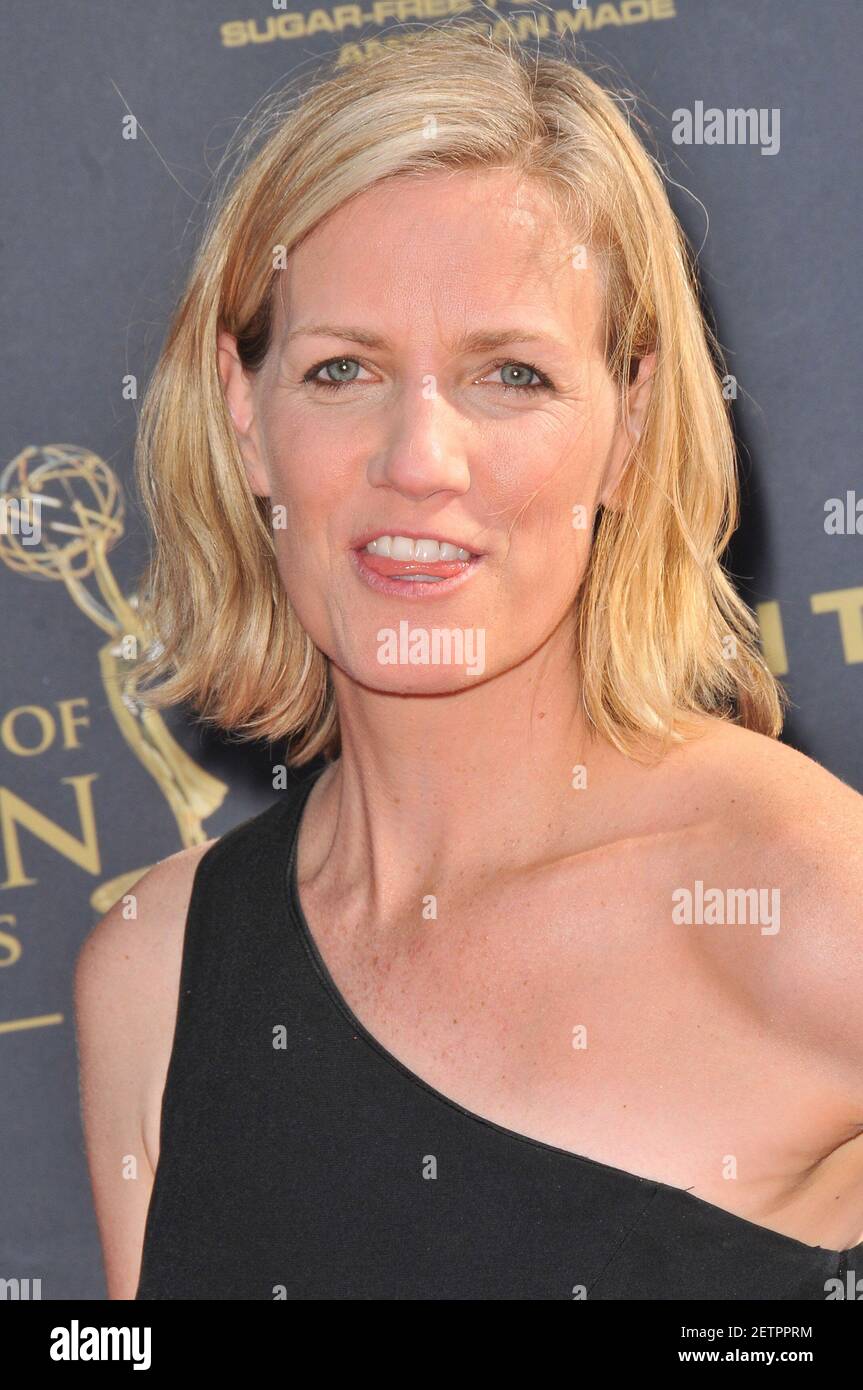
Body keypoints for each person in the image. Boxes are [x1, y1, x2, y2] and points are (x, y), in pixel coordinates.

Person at [74, 23, 863, 1300]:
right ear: (244, 413)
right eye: (342, 369)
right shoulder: (156, 972)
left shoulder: (794, 898)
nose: (419, 458)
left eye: (510, 375)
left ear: (630, 426)